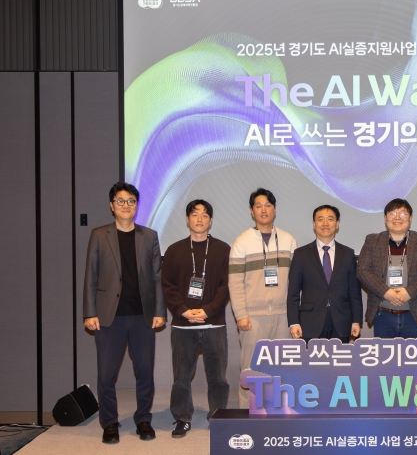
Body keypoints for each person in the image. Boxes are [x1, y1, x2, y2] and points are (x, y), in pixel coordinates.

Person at [82, 182, 166, 444]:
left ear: (136, 205)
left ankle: (143, 419)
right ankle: (109, 422)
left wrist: (160, 310)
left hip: (142, 316)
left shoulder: (149, 236)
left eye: (131, 201)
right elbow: (91, 276)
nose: (126, 205)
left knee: (145, 372)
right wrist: (89, 312)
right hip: (109, 317)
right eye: (120, 201)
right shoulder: (99, 235)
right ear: (112, 205)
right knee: (106, 375)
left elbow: (157, 277)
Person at [161, 200, 230, 438]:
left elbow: (226, 286)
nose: (199, 219)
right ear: (187, 219)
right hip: (183, 325)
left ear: (211, 221)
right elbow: (167, 285)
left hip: (214, 323)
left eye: (204, 215)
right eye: (194, 214)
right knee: (181, 377)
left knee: (218, 377)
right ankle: (182, 417)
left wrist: (208, 310)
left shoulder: (223, 249)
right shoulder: (174, 250)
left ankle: (217, 415)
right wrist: (182, 310)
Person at [229, 188, 297, 408]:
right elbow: (235, 282)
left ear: (274, 209)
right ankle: (247, 414)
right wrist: (241, 314)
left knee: (283, 368)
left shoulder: (288, 240)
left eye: (268, 205)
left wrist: (294, 316)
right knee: (251, 369)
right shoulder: (242, 242)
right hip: (253, 317)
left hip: (283, 316)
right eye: (258, 206)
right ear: (252, 211)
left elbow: (296, 282)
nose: (264, 210)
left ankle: (280, 411)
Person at [357, 198, 417, 338]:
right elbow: (362, 271)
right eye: (392, 213)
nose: (397, 217)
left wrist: (409, 292)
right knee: (385, 352)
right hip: (382, 314)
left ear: (410, 218)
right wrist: (385, 292)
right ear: (385, 218)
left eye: (402, 213)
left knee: (414, 353)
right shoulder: (372, 240)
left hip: (414, 315)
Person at [287, 205, 362, 343]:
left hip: (341, 321)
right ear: (314, 224)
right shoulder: (301, 254)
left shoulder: (347, 254)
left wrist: (356, 320)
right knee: (312, 357)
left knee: (340, 357)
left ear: (337, 224)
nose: (325, 223)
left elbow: (354, 291)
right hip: (310, 322)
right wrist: (293, 322)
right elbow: (293, 292)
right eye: (320, 219)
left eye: (330, 219)